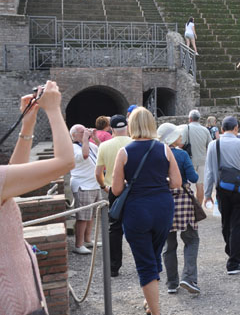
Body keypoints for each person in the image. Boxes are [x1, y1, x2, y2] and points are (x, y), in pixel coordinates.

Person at [0, 81, 73, 315]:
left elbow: (13, 181)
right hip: (14, 305)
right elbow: (65, 162)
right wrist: (53, 110)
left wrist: (27, 124)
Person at [111, 107, 182, 315]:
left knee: (144, 261)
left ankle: (155, 310)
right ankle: (150, 302)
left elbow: (116, 189)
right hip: (162, 206)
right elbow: (176, 182)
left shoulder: (124, 152)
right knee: (153, 254)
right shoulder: (164, 149)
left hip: (137, 209)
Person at [204, 116, 240, 275]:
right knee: (239, 224)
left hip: (222, 188)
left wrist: (208, 194)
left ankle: (231, 250)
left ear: (222, 129)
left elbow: (209, 171)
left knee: (226, 222)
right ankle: (234, 262)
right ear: (236, 128)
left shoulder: (214, 145)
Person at [156, 123, 201, 295]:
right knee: (191, 239)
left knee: (169, 244)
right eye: (178, 135)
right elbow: (193, 177)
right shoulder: (181, 154)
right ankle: (188, 278)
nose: (181, 138)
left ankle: (172, 283)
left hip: (164, 200)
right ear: (172, 138)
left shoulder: (157, 154)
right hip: (183, 199)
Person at [95, 114, 131, 277]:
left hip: (113, 190)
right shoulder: (134, 143)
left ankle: (114, 266)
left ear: (112, 128)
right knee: (138, 226)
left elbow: (98, 173)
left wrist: (104, 186)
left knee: (114, 228)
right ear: (126, 127)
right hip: (133, 190)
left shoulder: (105, 146)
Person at [69, 124, 103, 254]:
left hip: (94, 184)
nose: (85, 134)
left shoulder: (89, 144)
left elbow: (102, 150)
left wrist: (94, 137)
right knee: (82, 217)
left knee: (91, 216)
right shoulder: (72, 147)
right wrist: (85, 139)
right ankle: (78, 245)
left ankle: (88, 239)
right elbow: (84, 155)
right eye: (82, 132)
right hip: (83, 185)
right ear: (74, 135)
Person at [180, 110, 212, 204]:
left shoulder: (187, 128)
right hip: (202, 160)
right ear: (199, 119)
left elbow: (181, 144)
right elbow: (210, 145)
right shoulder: (205, 130)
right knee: (200, 185)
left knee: (186, 185)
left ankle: (188, 206)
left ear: (190, 119)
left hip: (189, 160)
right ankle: (199, 208)